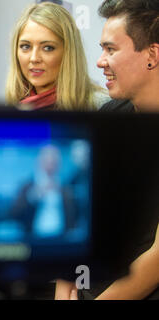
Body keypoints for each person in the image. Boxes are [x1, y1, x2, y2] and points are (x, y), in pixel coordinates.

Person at [56, 0, 159, 300]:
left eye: (110, 49)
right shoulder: (112, 116)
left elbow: (157, 259)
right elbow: (77, 215)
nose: (100, 61)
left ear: (152, 55)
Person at [5, 2, 109, 111]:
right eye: (26, 46)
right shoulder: (13, 109)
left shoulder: (102, 106)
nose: (34, 58)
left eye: (48, 48)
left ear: (68, 53)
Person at [9, 144, 78, 239]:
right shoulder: (27, 186)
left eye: (54, 162)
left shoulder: (65, 188)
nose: (51, 165)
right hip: (33, 240)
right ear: (40, 162)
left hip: (61, 240)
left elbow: (73, 216)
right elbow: (14, 213)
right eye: (48, 161)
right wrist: (34, 196)